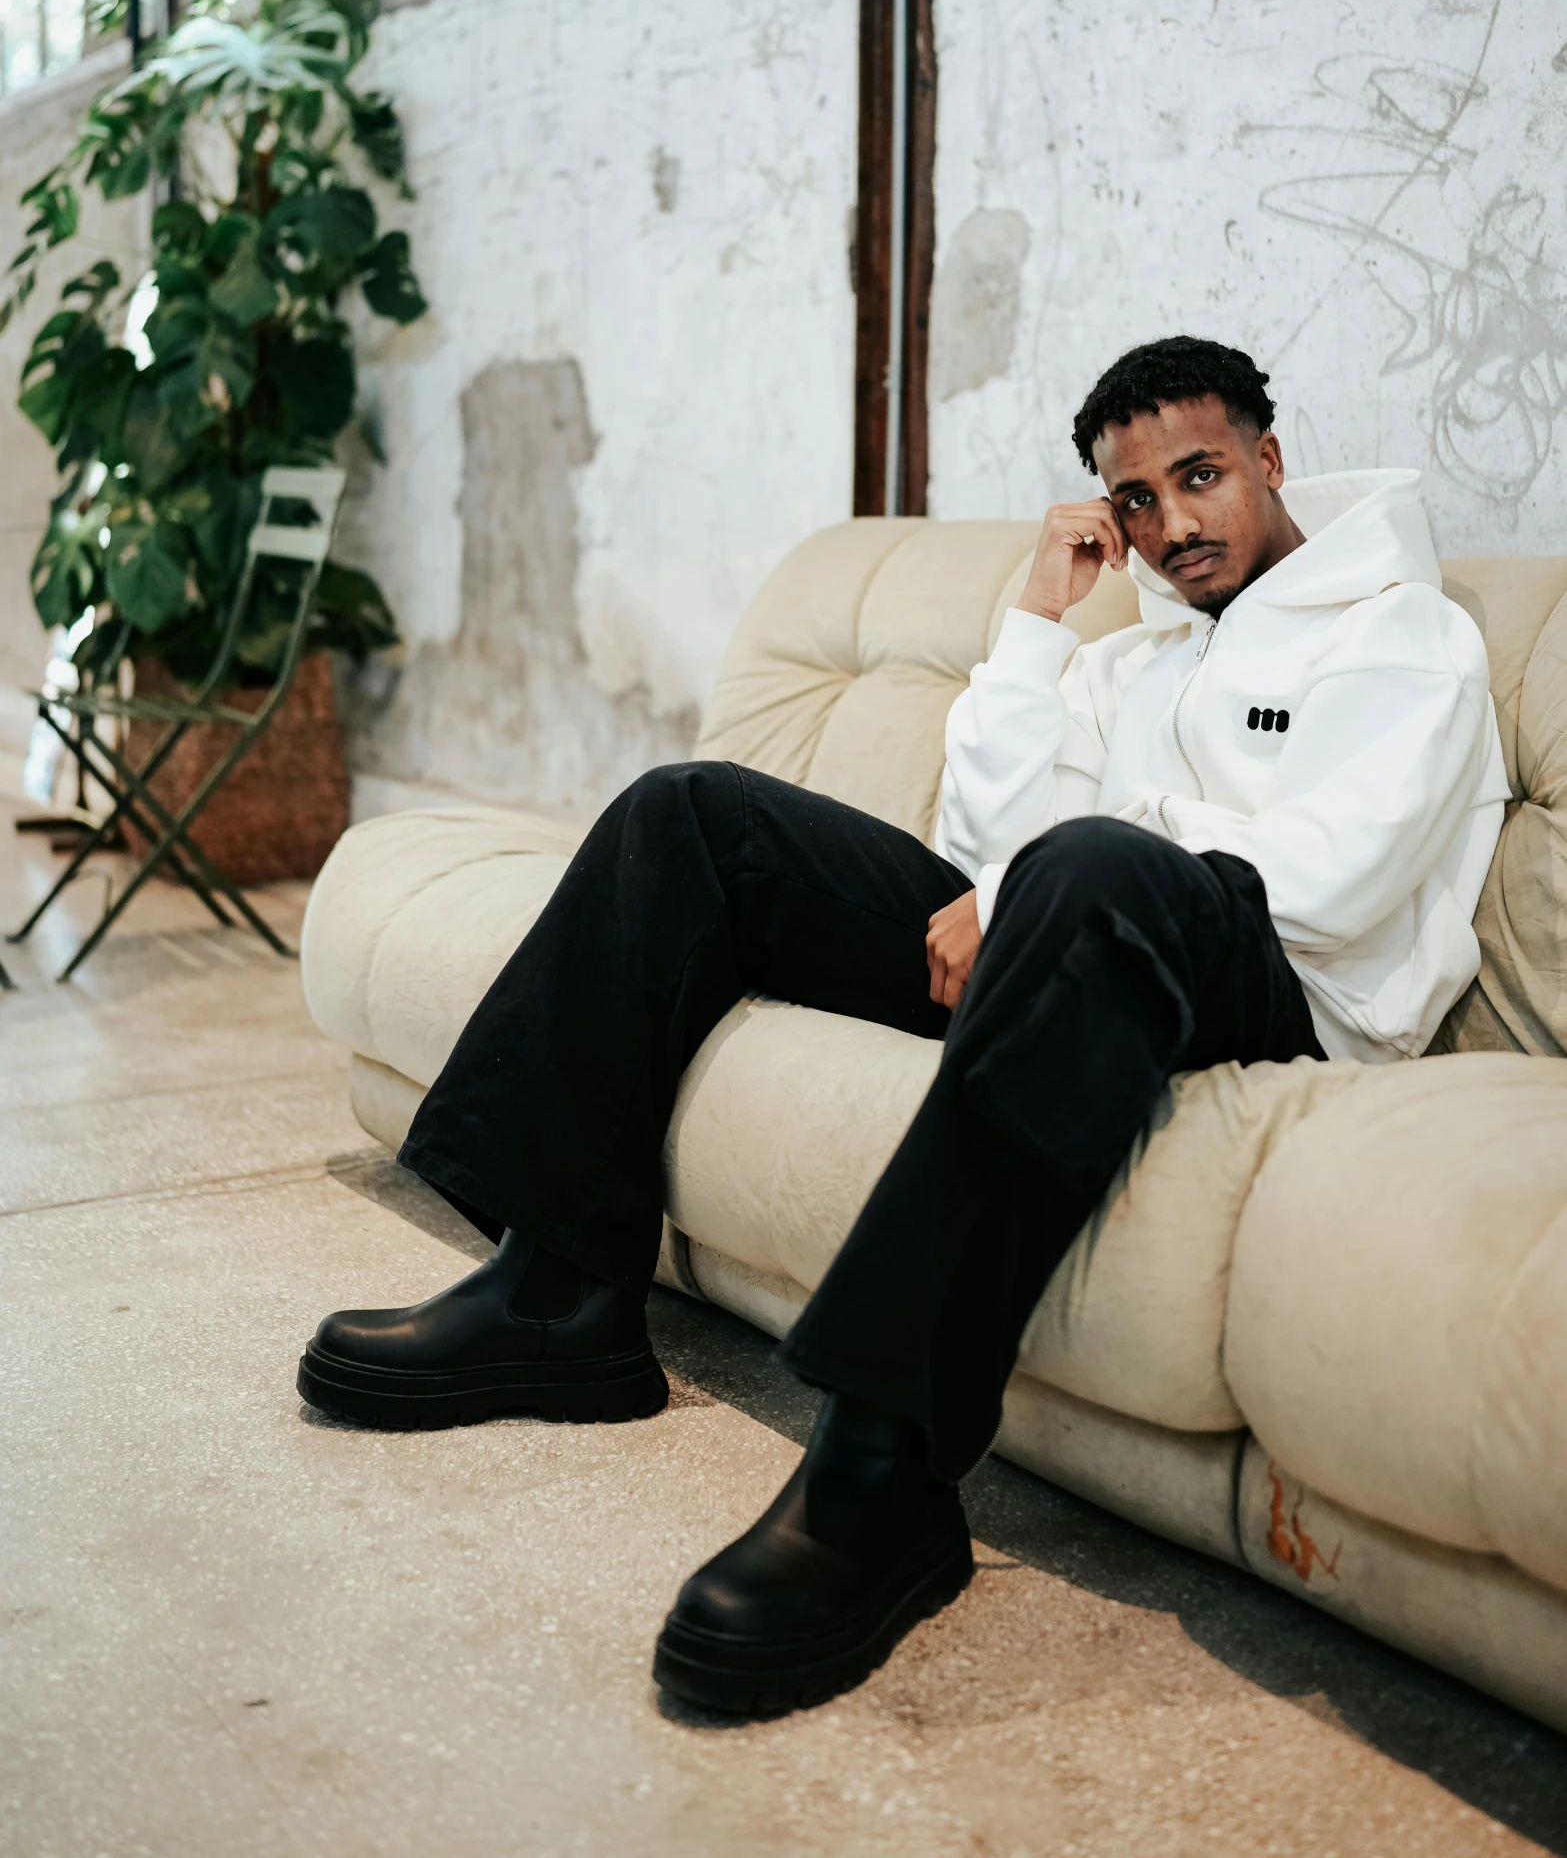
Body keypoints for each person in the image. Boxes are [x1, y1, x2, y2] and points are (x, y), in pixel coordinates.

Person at [298, 335, 1507, 1717]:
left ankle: (883, 1470)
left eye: (1200, 476)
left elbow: (1333, 880)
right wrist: (1039, 626)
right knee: (687, 815)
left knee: (1088, 865)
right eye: (1134, 503)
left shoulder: (1402, 630)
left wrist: (1037, 875)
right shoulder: (1137, 658)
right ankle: (560, 1289)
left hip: (1281, 994)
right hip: (1074, 946)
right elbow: (981, 835)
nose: (1170, 526)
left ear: (1268, 459)